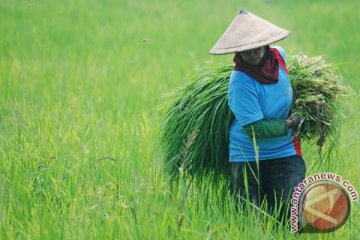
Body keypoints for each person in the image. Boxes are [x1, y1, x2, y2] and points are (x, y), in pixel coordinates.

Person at [209, 10, 306, 225]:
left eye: (256, 48)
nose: (252, 54)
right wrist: (291, 123)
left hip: (285, 150)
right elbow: (255, 129)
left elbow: (290, 83)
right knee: (248, 219)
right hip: (248, 155)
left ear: (266, 44)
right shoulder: (240, 81)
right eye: (245, 51)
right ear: (237, 51)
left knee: (290, 215)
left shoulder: (279, 55)